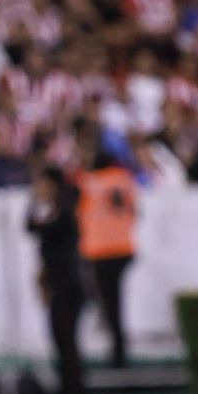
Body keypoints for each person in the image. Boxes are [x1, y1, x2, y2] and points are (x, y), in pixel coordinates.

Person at [26, 167, 87, 394]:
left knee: (67, 337)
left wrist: (35, 203)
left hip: (68, 284)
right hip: (58, 284)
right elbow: (31, 228)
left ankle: (76, 391)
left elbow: (38, 229)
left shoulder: (65, 212)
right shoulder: (56, 211)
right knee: (61, 337)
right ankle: (68, 387)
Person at [76, 153, 138, 368]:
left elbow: (80, 211)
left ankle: (117, 351)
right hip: (124, 248)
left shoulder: (90, 183)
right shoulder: (125, 180)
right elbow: (135, 211)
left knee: (107, 302)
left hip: (101, 251)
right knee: (114, 300)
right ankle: (118, 347)